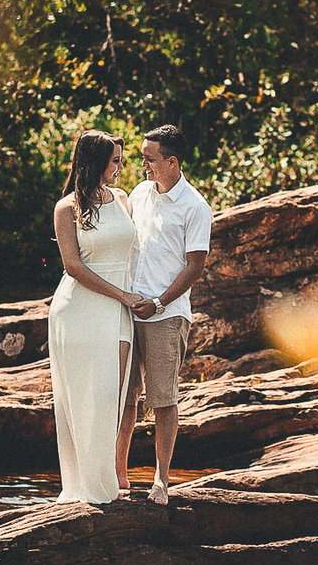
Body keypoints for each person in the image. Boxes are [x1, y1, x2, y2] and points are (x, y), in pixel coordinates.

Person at [116, 124, 212, 505]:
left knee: (163, 399)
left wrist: (157, 302)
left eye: (150, 159)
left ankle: (161, 481)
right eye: (142, 158)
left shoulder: (195, 207)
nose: (142, 165)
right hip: (128, 313)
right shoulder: (140, 194)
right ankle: (118, 475)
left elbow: (195, 268)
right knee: (125, 395)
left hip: (166, 316)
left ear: (172, 162)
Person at [48, 130, 139, 505]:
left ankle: (105, 481)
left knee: (112, 396)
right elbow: (72, 266)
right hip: (80, 310)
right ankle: (87, 487)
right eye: (115, 160)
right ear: (95, 162)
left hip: (120, 308)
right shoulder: (66, 207)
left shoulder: (121, 199)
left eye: (121, 159)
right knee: (85, 397)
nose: (121, 167)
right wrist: (122, 295)